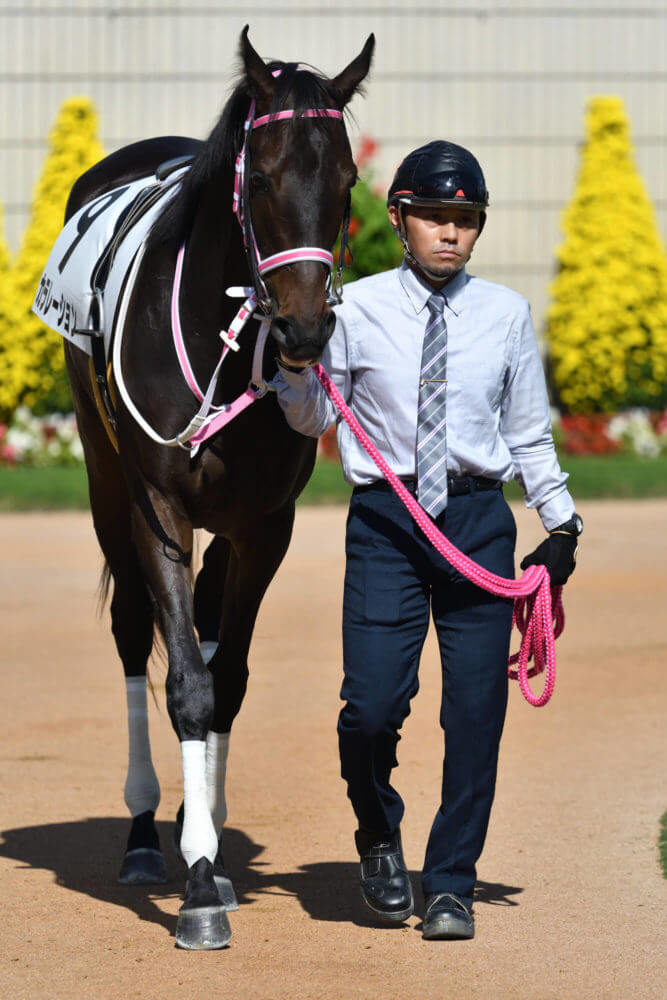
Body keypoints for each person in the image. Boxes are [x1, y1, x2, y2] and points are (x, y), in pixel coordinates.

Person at [273, 140, 582, 940]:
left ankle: (449, 881)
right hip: (385, 522)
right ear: (398, 218)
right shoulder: (356, 307)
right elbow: (311, 420)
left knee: (476, 713)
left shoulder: (506, 316)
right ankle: (377, 832)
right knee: (372, 708)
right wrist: (296, 367)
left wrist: (560, 527)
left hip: (478, 525)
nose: (449, 234)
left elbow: (527, 435)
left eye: (464, 221)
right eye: (434, 218)